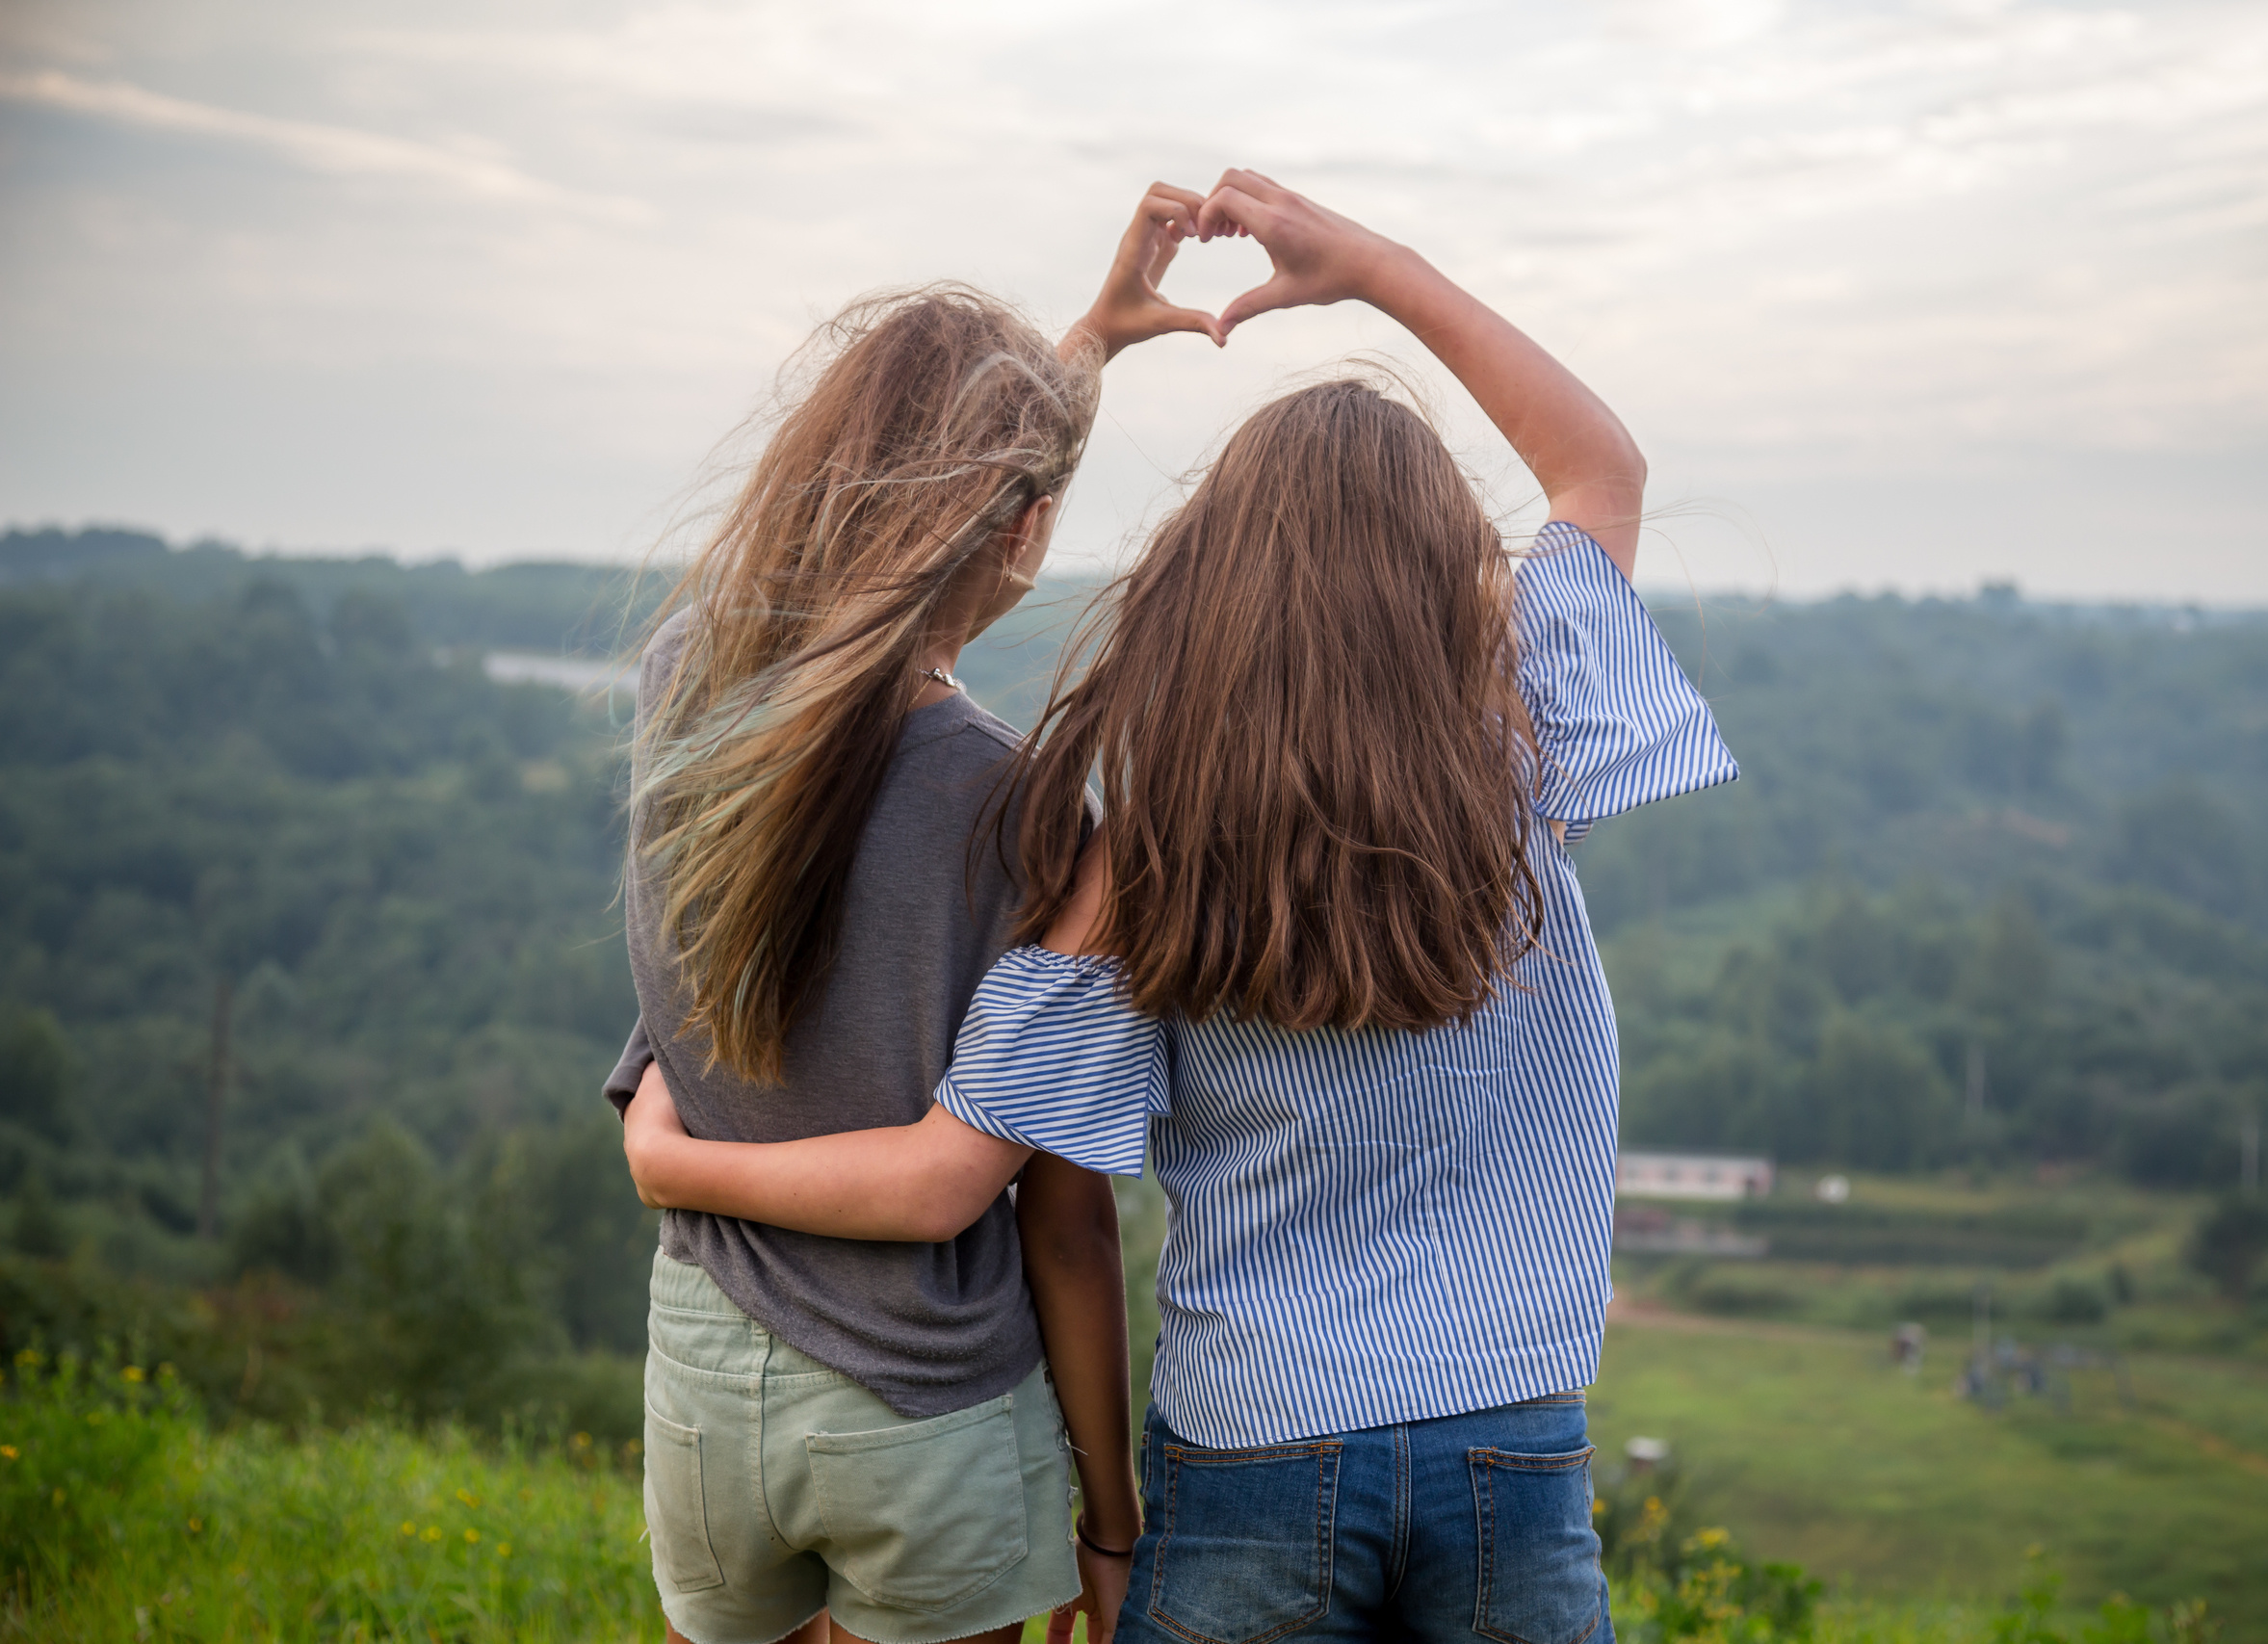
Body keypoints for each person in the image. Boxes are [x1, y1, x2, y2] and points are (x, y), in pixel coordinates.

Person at [622, 170, 1739, 1641]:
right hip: (1511, 1439)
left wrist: (674, 1158)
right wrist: (1374, 267)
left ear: (1211, 592)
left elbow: (969, 1175)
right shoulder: (1528, 748)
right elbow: (1601, 470)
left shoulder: (1136, 859)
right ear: (1460, 576)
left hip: (1250, 1453)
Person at [606, 184, 1226, 1644]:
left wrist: (1084, 346)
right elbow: (1061, 1221)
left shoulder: (686, 675)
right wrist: (1110, 1518)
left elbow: (912, 559)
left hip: (705, 1369)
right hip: (925, 1402)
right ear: (1028, 527)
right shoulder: (1026, 814)